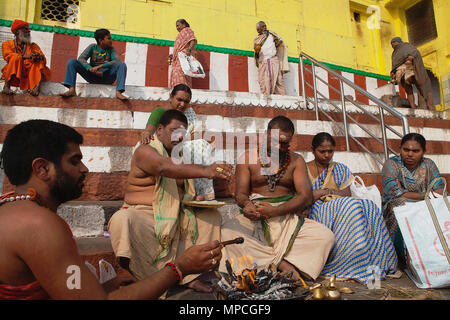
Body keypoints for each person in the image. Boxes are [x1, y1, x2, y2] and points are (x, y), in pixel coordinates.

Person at [0, 119, 223, 300]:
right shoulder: (39, 225)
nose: (84, 169)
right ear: (42, 169)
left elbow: (68, 287)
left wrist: (102, 287)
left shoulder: (13, 208)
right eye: (74, 161)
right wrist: (178, 269)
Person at [108, 109, 233, 293]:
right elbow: (162, 167)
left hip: (177, 215)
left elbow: (181, 190)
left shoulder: (181, 158)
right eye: (174, 131)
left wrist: (193, 198)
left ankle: (188, 277)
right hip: (144, 215)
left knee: (211, 216)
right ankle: (145, 280)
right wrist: (206, 170)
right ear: (159, 130)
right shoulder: (145, 150)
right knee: (122, 219)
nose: (179, 137)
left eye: (182, 133)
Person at [218, 116, 335, 282]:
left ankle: (266, 263)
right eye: (275, 141)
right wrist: (247, 204)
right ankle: (281, 264)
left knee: (325, 236)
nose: (279, 147)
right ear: (266, 135)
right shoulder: (247, 158)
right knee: (227, 232)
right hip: (256, 217)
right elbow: (241, 194)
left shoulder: (296, 160)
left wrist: (275, 211)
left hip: (287, 217)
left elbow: (305, 195)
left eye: (285, 143)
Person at [304, 132, 397, 283]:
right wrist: (319, 195)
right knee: (353, 207)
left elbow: (346, 194)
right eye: (322, 151)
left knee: (369, 206)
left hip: (339, 205)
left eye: (330, 151)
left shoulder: (340, 169)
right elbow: (304, 196)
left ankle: (374, 262)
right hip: (315, 209)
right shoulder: (304, 168)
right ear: (313, 150)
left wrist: (323, 192)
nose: (327, 155)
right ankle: (349, 263)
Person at [140, 84, 216, 200]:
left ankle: (201, 192)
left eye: (186, 101)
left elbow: (195, 135)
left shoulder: (189, 115)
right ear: (171, 97)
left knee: (203, 145)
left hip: (181, 147)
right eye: (179, 100)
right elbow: (149, 130)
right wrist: (146, 133)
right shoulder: (160, 111)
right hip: (163, 147)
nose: (182, 104)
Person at [382, 133, 444, 266]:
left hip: (424, 206)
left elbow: (440, 191)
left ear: (423, 152)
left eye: (415, 151)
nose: (410, 154)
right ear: (400, 149)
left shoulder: (429, 165)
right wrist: (427, 195)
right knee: (402, 204)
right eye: (406, 150)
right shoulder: (391, 164)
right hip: (395, 208)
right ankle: (400, 259)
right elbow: (396, 194)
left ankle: (436, 256)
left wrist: (407, 193)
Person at [60, 28, 128, 100]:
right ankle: (71, 89)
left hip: (106, 77)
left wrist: (100, 67)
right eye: (109, 38)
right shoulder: (92, 47)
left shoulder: (111, 49)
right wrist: (90, 68)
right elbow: (81, 59)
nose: (111, 41)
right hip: (92, 76)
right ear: (101, 40)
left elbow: (116, 61)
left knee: (121, 64)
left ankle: (118, 92)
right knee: (72, 62)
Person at [1, 19, 51, 96]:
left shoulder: (33, 46)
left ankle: (35, 89)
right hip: (15, 75)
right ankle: (6, 87)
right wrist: (25, 56)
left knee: (39, 63)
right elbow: (8, 56)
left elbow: (43, 59)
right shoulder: (7, 44)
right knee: (15, 58)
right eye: (25, 29)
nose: (29, 31)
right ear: (17, 32)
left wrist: (38, 57)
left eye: (28, 29)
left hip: (28, 74)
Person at [390, 37, 434, 110]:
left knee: (421, 87)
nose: (392, 44)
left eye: (394, 42)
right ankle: (413, 106)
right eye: (391, 43)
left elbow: (414, 53)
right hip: (402, 74)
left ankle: (429, 106)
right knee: (408, 89)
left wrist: (410, 58)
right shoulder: (394, 53)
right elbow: (395, 64)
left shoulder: (407, 46)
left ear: (398, 42)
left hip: (413, 70)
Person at [253, 21, 289, 95]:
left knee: (277, 79)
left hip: (272, 60)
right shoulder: (256, 40)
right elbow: (256, 54)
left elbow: (279, 41)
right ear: (258, 30)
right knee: (262, 80)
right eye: (262, 26)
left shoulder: (271, 34)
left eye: (265, 26)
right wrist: (257, 50)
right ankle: (266, 94)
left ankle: (278, 95)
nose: (265, 28)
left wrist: (274, 48)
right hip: (263, 61)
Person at [169, 19, 197, 88]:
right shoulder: (180, 34)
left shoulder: (187, 30)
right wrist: (173, 55)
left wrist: (189, 49)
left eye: (178, 25)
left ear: (184, 24)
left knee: (180, 72)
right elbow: (179, 47)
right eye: (176, 26)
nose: (177, 27)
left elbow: (192, 40)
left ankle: (182, 88)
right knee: (177, 72)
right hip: (177, 57)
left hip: (184, 56)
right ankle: (178, 89)